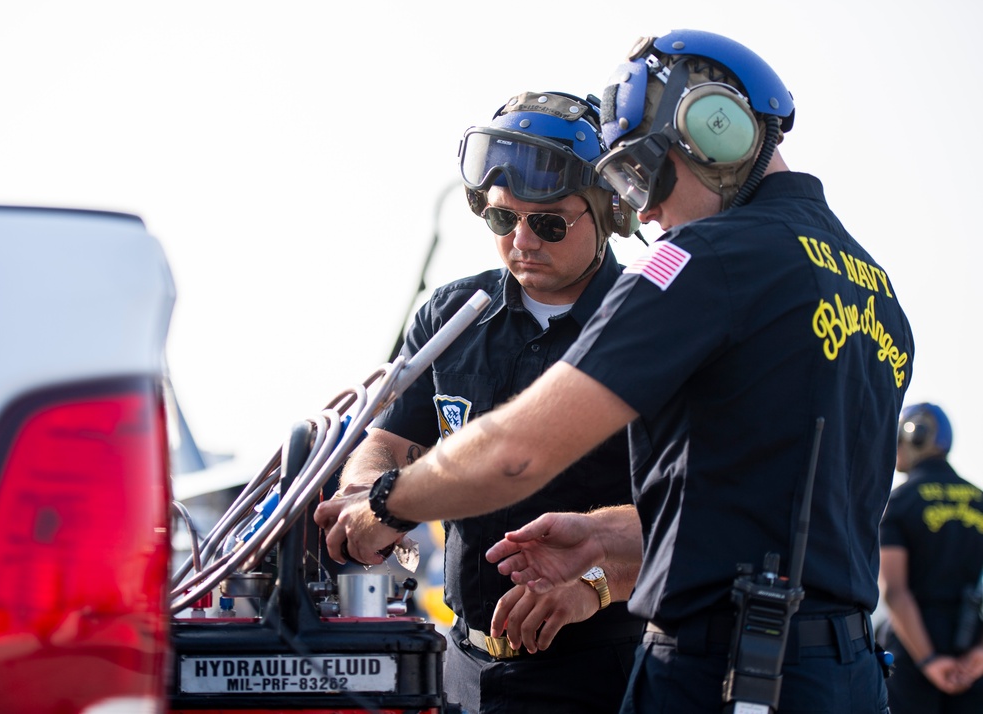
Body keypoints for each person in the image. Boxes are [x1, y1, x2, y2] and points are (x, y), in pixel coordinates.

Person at [317, 29, 914, 714]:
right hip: (841, 678)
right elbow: (762, 508)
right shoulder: (871, 284)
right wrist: (605, 541)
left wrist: (386, 502)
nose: (647, 212)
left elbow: (518, 454)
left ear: (714, 135)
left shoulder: (702, 262)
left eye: (644, 173)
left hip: (721, 671)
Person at [321, 90, 646, 714]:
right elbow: (388, 441)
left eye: (548, 223)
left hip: (606, 672)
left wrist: (598, 581)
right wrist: (366, 497)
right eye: (502, 220)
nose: (522, 240)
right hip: (462, 668)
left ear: (607, 213)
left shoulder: (651, 319)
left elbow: (688, 501)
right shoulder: (450, 317)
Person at [879, 402, 983, 712]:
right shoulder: (980, 500)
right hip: (973, 659)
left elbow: (894, 592)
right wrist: (979, 657)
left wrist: (929, 660)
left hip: (912, 656)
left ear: (913, 438)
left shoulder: (900, 502)